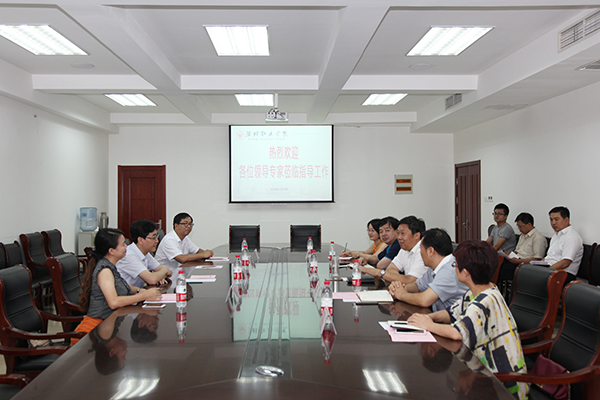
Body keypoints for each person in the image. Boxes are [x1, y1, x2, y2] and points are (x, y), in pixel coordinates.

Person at [408, 240, 528, 400]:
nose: (454, 267)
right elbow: (451, 313)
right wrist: (428, 317)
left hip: (501, 385)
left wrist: (428, 325)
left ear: (465, 273)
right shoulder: (480, 291)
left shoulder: (485, 301)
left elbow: (457, 333)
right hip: (483, 374)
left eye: (455, 265)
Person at [75, 228, 162, 341]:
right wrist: (143, 296)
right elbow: (114, 302)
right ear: (111, 251)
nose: (126, 247)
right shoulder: (105, 271)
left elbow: (125, 286)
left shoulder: (111, 266)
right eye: (123, 244)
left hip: (108, 323)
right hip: (93, 331)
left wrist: (139, 291)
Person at [388, 228, 468, 312]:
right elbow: (418, 286)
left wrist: (401, 295)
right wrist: (398, 289)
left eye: (421, 249)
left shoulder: (449, 270)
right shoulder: (434, 267)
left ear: (430, 251)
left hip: (453, 319)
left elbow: (424, 300)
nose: (420, 253)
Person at [116, 219, 172, 288]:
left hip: (139, 292)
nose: (157, 241)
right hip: (126, 294)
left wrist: (159, 275)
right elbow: (152, 279)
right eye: (153, 238)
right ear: (140, 240)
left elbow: (168, 273)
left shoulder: (145, 253)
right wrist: (163, 271)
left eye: (157, 237)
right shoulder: (129, 256)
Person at [376, 216, 428, 284]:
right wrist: (400, 279)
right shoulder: (405, 248)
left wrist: (379, 273)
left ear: (416, 236)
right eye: (398, 233)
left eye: (402, 233)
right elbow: (390, 269)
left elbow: (410, 281)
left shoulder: (423, 251)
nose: (399, 237)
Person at [498, 212, 548, 283]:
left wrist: (518, 261)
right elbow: (517, 251)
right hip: (516, 260)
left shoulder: (538, 238)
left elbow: (537, 259)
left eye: (520, 226)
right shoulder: (522, 235)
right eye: (518, 226)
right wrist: (508, 254)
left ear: (529, 224)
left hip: (525, 265)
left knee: (502, 269)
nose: (519, 229)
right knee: (496, 262)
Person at [544, 206, 583, 281]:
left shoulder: (572, 237)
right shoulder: (556, 235)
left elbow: (565, 262)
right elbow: (549, 257)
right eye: (551, 220)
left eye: (556, 219)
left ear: (566, 220)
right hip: (550, 268)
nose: (553, 223)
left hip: (563, 273)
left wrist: (545, 271)